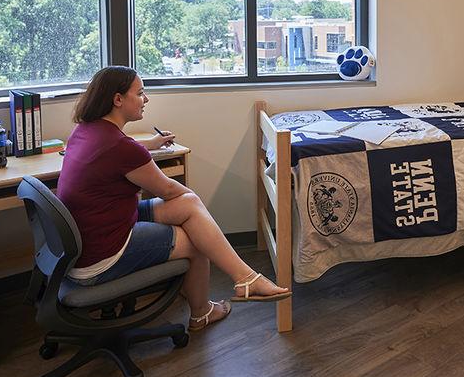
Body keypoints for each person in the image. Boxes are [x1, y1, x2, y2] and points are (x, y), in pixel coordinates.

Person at [57, 66, 290, 332]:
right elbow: (168, 190)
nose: (146, 99)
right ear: (117, 99)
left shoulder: (86, 130)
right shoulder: (121, 148)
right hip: (100, 258)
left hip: (86, 240)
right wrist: (192, 201)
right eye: (140, 93)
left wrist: (149, 147)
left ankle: (244, 278)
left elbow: (117, 152)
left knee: (189, 207)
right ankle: (203, 311)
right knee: (195, 236)